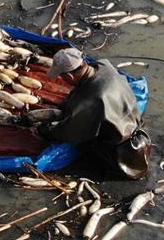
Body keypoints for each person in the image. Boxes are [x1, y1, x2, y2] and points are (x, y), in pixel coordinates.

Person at [37, 47, 151, 179]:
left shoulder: (90, 100)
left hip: (123, 153)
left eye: (62, 77)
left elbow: (68, 132)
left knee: (92, 163)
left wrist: (44, 130)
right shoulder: (105, 66)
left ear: (70, 76)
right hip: (139, 132)